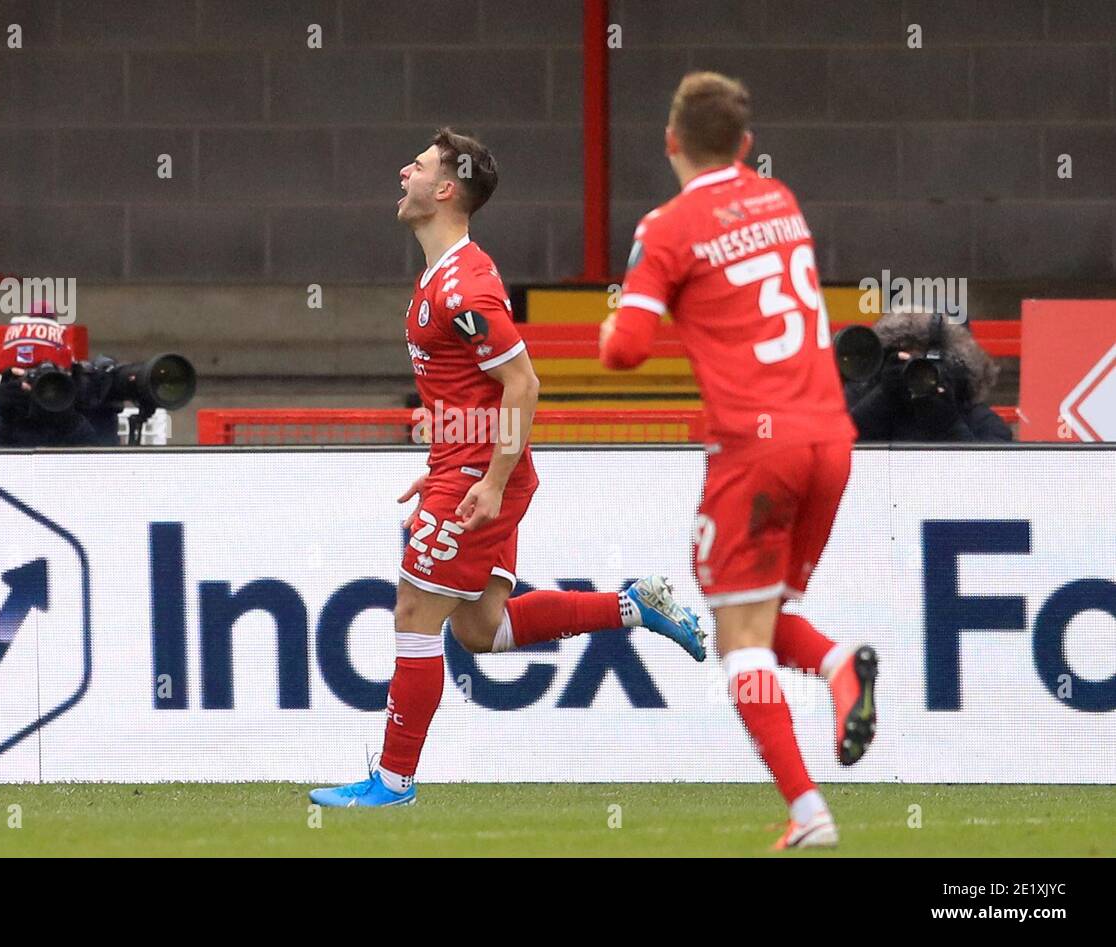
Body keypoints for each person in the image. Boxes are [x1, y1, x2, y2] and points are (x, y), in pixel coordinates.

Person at [309, 128, 707, 808]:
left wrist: (486, 480)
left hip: (480, 475)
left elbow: (524, 384)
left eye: (421, 163)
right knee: (480, 628)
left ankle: (393, 781)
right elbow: (471, 390)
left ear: (444, 190)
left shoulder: (465, 288)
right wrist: (444, 462)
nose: (404, 167)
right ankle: (632, 605)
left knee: (412, 610)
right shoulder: (441, 275)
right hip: (464, 465)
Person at [599, 73, 878, 849]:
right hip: (831, 439)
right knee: (763, 615)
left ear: (669, 141)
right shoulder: (778, 198)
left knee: (740, 637)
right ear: (746, 147)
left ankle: (809, 811)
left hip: (758, 448)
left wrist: (614, 316)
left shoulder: (669, 226)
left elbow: (623, 352)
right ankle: (836, 668)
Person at [0, 315, 122, 448]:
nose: (36, 386)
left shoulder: (86, 396)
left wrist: (71, 421)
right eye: (25, 376)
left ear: (68, 373)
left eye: (47, 377)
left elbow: (110, 473)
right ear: (5, 374)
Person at [845, 309, 1013, 442]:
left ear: (955, 367)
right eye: (904, 363)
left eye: (926, 365)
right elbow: (840, 448)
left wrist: (948, 424)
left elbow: (991, 476)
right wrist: (882, 396)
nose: (915, 373)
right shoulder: (865, 402)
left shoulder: (979, 420)